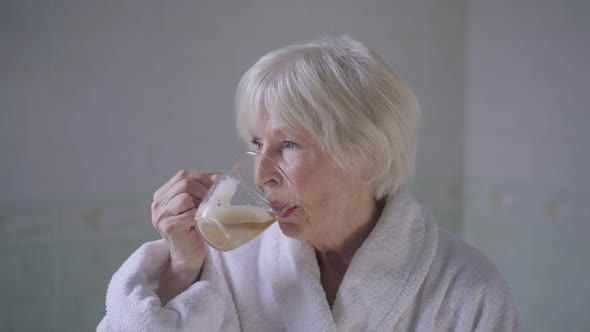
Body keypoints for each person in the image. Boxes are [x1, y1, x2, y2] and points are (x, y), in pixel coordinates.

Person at [98, 36, 519, 331]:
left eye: (290, 144)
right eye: (257, 143)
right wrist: (180, 268)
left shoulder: (468, 293)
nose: (261, 175)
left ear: (368, 157)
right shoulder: (229, 260)